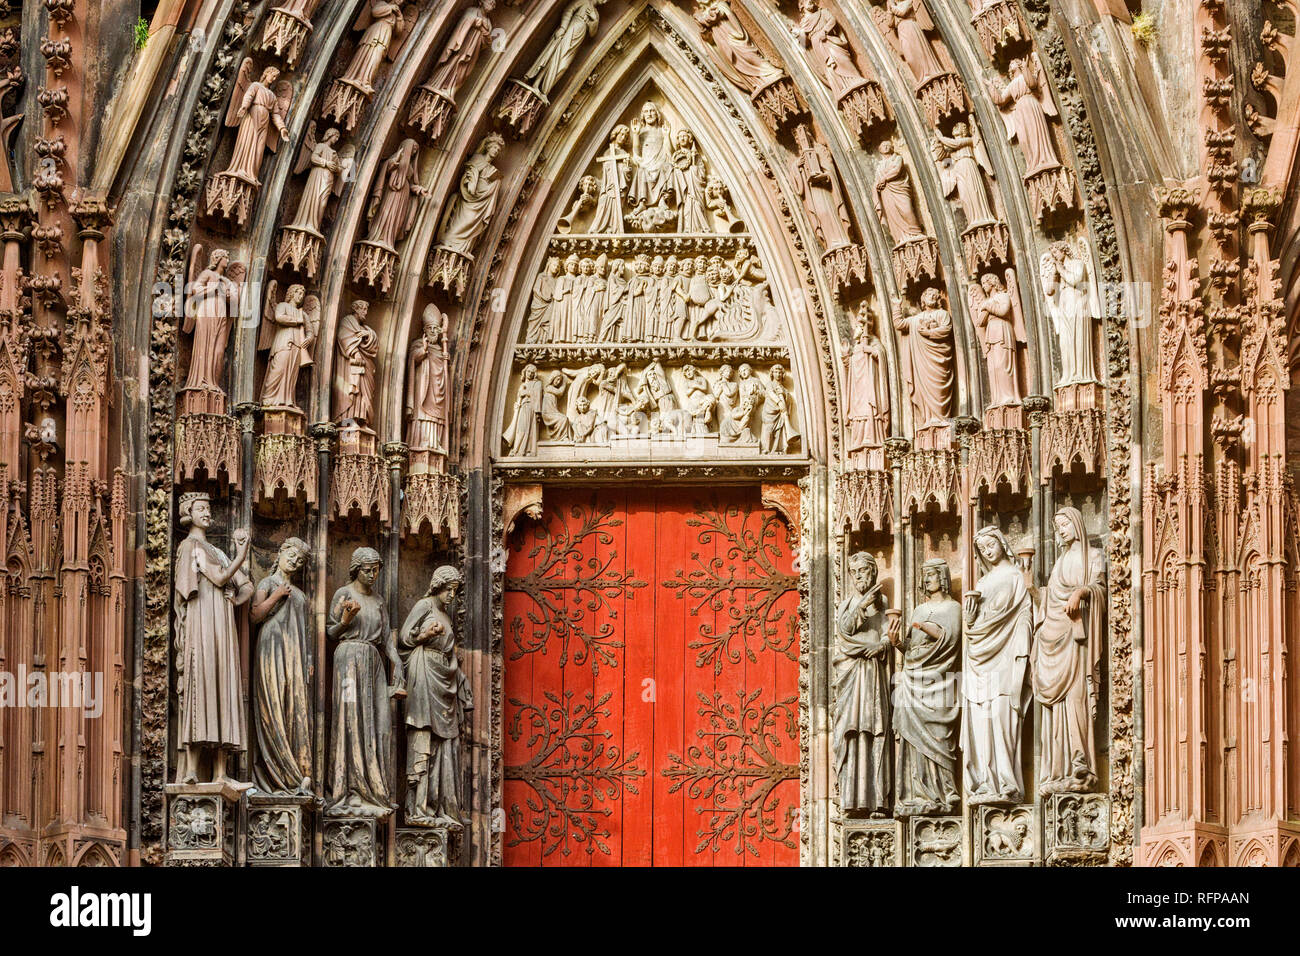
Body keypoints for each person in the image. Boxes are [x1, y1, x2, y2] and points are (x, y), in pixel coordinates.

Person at [326, 547, 403, 815]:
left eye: (376, 570)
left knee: (379, 723)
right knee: (349, 717)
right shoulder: (343, 594)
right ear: (356, 569)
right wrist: (346, 620)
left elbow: (388, 641)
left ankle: (373, 786)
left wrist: (397, 662)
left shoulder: (379, 601)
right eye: (367, 570)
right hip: (348, 661)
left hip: (373, 663)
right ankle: (347, 787)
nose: (372, 575)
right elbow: (331, 632)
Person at [399, 566, 473, 825]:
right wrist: (426, 634)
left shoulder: (446, 616)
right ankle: (417, 809)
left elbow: (451, 654)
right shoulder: (424, 605)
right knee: (423, 733)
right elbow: (404, 637)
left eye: (455, 590)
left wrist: (459, 678)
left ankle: (441, 805)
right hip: (424, 671)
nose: (452, 595)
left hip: (444, 678)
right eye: (448, 589)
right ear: (438, 585)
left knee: (445, 743)